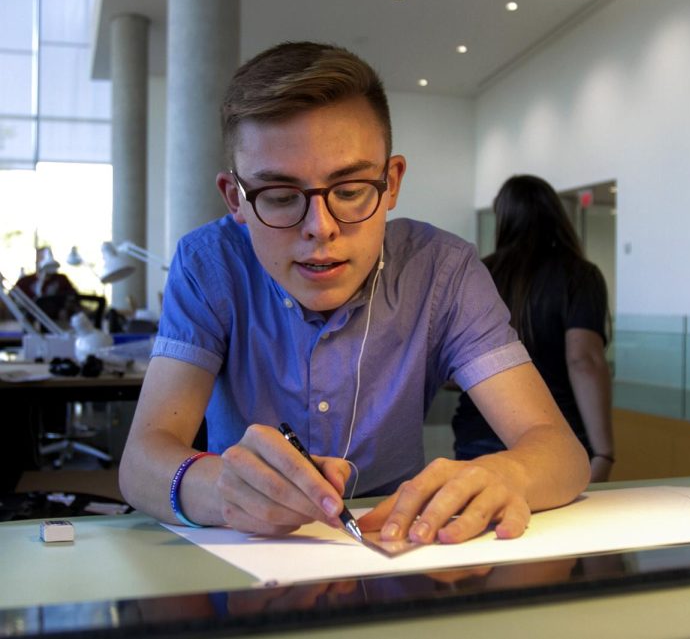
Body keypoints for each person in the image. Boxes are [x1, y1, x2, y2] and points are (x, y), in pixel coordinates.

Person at [119, 42, 589, 545]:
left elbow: (561, 451)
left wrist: (507, 474)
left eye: (349, 191)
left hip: (397, 544)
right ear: (236, 198)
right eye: (279, 197)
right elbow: (142, 462)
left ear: (391, 183)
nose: (320, 228)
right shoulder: (208, 264)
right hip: (246, 550)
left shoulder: (443, 270)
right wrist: (221, 488)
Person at [451, 175, 614, 482]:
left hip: (480, 430)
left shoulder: (481, 272)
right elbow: (584, 360)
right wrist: (604, 450)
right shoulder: (579, 275)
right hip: (558, 437)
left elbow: (452, 365)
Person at [14, 246, 79, 325]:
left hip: (58, 322)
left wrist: (65, 308)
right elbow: (16, 301)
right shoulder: (24, 282)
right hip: (33, 321)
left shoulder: (61, 279)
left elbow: (73, 296)